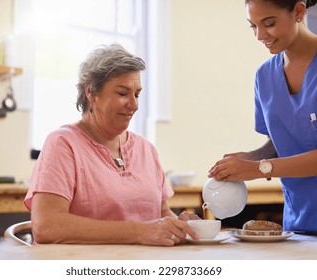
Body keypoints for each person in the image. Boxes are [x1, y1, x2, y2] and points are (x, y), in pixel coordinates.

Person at [24, 44, 199, 246]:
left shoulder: (146, 149)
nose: (134, 105)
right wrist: (139, 232)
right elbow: (47, 227)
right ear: (90, 91)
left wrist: (180, 227)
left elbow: (160, 213)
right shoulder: (63, 143)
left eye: (137, 94)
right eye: (123, 93)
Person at [208, 0, 317, 237]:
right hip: (299, 221)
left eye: (268, 23)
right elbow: (283, 141)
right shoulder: (264, 76)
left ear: (298, 11)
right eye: (253, 26)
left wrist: (259, 168)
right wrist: (252, 157)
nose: (260, 35)